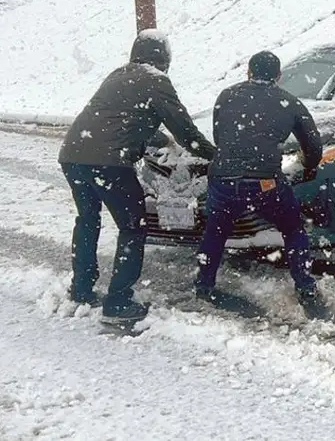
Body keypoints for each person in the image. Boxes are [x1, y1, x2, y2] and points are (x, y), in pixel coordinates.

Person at [58, 29, 216, 323]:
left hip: (73, 155)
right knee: (133, 226)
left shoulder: (118, 75)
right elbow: (186, 131)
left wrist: (163, 141)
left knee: (88, 220)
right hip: (109, 163)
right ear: (164, 58)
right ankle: (118, 302)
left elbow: (126, 118)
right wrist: (216, 156)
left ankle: (81, 289)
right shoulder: (156, 80)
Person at [196, 50, 323, 306]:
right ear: (278, 76)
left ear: (249, 72)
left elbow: (220, 137)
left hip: (223, 178)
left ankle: (204, 283)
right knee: (292, 226)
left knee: (216, 230)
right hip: (265, 182)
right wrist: (309, 167)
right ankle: (305, 284)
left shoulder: (227, 95)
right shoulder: (288, 102)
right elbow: (313, 144)